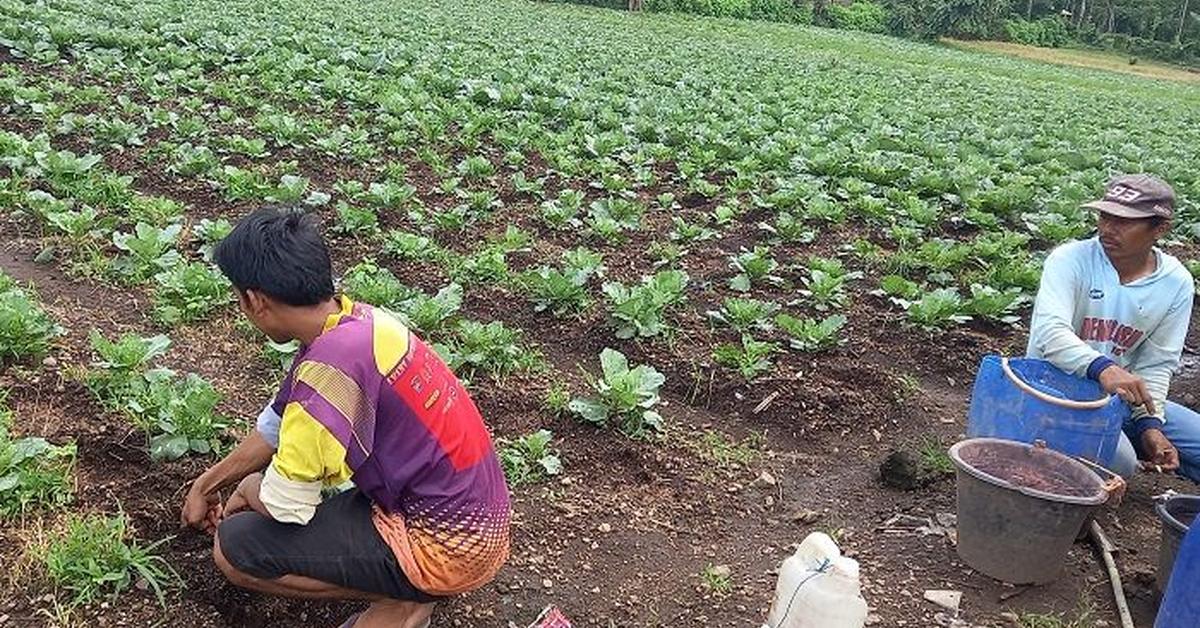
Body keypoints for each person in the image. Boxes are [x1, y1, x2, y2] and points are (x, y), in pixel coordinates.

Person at [180, 207, 511, 628]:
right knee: (260, 511)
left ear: (255, 300)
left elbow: (286, 506)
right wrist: (207, 485)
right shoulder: (358, 324)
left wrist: (249, 485)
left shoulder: (328, 372)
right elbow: (274, 428)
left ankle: (408, 597)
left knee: (236, 547)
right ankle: (413, 588)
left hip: (447, 543)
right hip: (472, 513)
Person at [1027, 174, 1199, 483]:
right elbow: (1049, 334)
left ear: (1160, 229)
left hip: (1122, 399)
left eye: (1123, 221)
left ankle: (1143, 452)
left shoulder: (1176, 283)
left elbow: (1157, 364)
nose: (1107, 228)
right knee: (1117, 462)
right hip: (1055, 390)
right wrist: (1102, 367)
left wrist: (1150, 424)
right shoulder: (1071, 260)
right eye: (1105, 216)